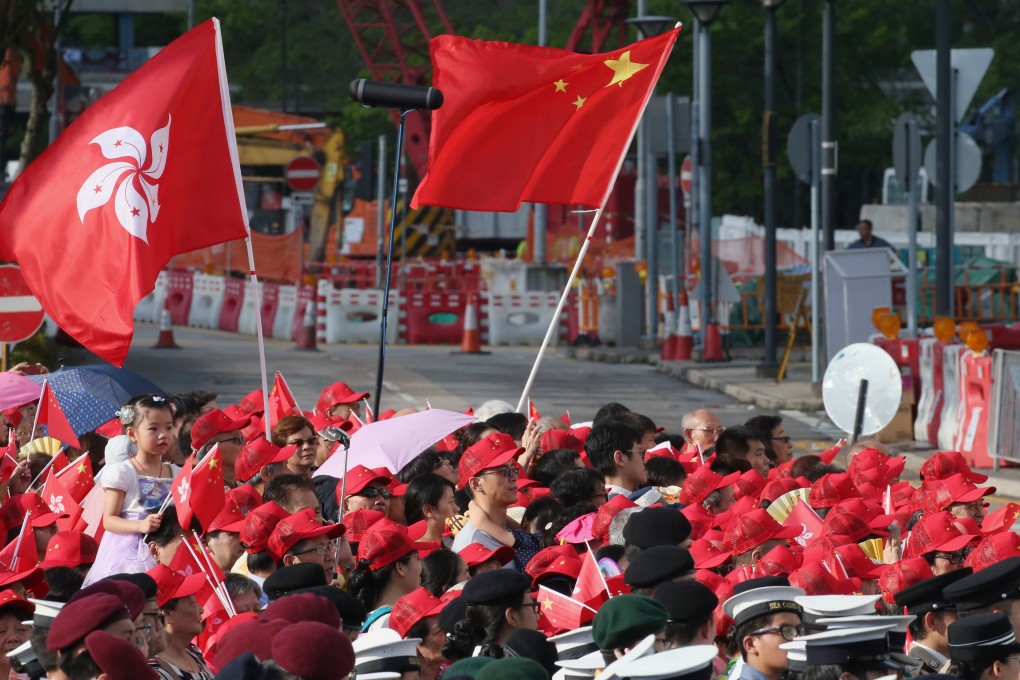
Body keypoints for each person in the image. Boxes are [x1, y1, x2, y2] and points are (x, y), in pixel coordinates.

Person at [87, 396, 179, 585]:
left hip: (167, 547)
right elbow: (109, 520)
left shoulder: (176, 473)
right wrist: (140, 526)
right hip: (128, 551)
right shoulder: (123, 472)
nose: (163, 435)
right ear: (132, 434)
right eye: (153, 429)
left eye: (168, 428)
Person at [147, 565, 211, 680]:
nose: (201, 609)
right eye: (192, 603)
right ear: (167, 614)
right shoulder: (154, 672)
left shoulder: (194, 653)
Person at [585, 417, 647, 499]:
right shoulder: (626, 507)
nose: (645, 460)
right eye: (640, 452)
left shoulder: (597, 502)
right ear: (620, 458)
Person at [404, 473, 457, 544]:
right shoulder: (420, 553)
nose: (457, 508)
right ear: (428, 510)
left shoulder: (450, 542)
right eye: (451, 502)